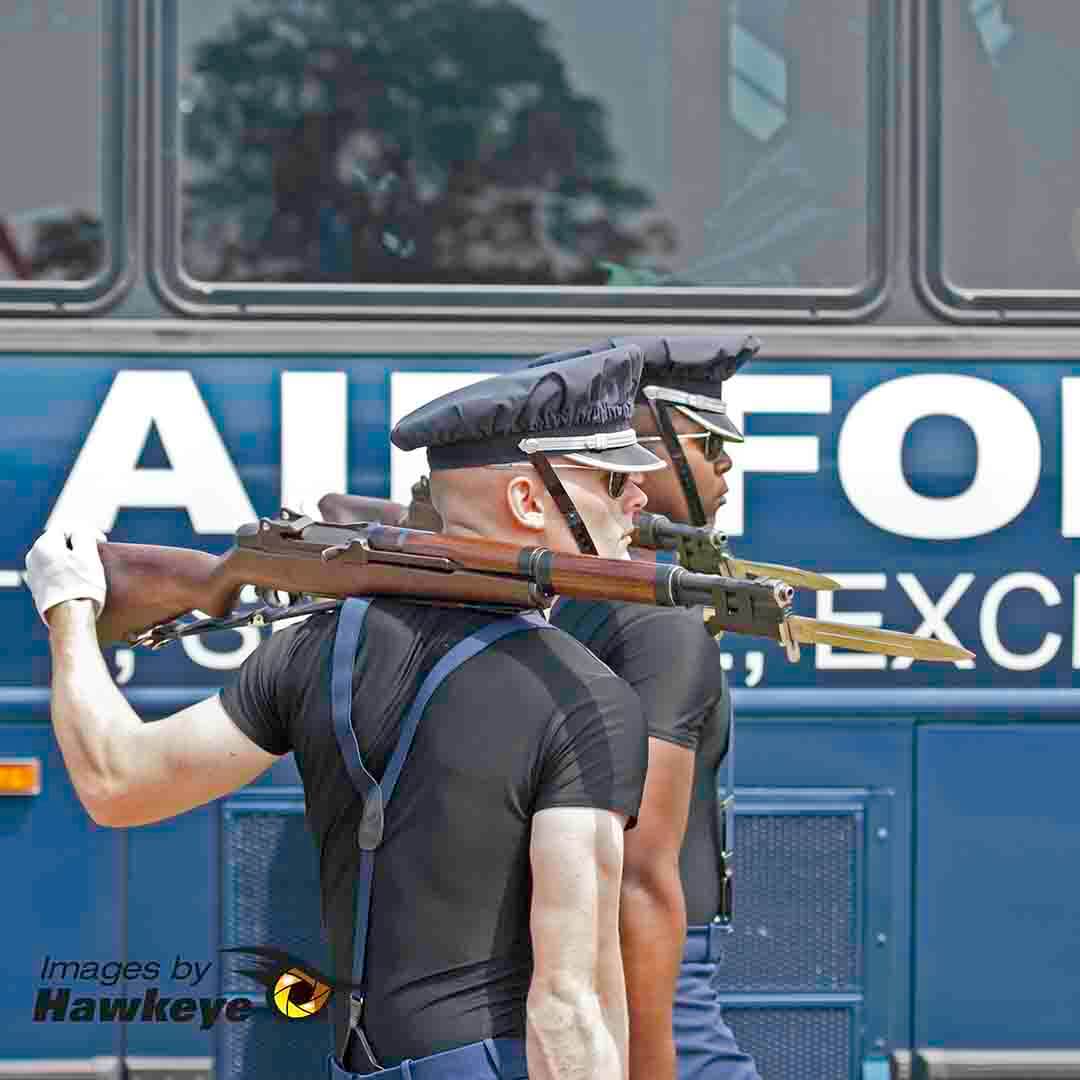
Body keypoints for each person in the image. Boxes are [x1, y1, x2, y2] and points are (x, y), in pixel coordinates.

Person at [23, 345, 663, 1079]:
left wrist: (70, 610)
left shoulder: (316, 648)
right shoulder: (583, 695)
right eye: (615, 481)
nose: (639, 502)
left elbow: (119, 783)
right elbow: (570, 1002)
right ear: (526, 500)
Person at [533, 336, 763, 1080]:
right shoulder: (658, 627)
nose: (726, 468)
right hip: (654, 970)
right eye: (710, 445)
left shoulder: (571, 600)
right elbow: (635, 870)